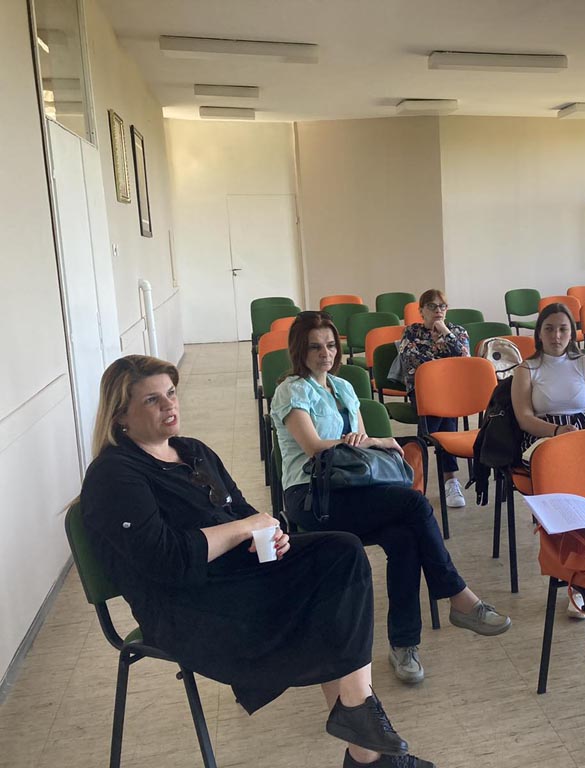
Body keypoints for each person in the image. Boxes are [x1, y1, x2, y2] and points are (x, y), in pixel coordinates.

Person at [80, 355, 433, 768]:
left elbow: (244, 513)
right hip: (187, 606)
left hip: (238, 577)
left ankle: (362, 730)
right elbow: (168, 561)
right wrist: (243, 529)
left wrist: (273, 536)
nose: (169, 405)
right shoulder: (113, 475)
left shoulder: (192, 451)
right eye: (152, 400)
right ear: (120, 415)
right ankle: (367, 749)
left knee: (342, 552)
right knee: (326, 593)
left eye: (171, 393)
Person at [272, 310, 510, 687]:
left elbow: (359, 451)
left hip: (352, 489)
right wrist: (377, 440)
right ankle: (459, 597)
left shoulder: (344, 387)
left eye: (330, 345)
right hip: (311, 496)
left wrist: (367, 441)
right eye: (315, 347)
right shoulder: (291, 390)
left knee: (404, 538)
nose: (325, 353)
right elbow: (314, 448)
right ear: (299, 350)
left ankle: (404, 646)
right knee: (415, 505)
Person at [511, 302, 585, 617]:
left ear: (573, 333)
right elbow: (525, 418)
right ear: (539, 333)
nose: (556, 336)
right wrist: (556, 432)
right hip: (543, 437)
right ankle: (576, 580)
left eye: (563, 329)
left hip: (584, 435)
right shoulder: (527, 369)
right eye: (550, 329)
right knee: (569, 487)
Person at [398, 289, 471, 509]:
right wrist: (445, 364)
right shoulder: (412, 332)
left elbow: (465, 360)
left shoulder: (457, 331)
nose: (438, 310)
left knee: (441, 413)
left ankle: (417, 476)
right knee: (444, 414)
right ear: (421, 311)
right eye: (432, 306)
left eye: (442, 306)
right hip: (422, 391)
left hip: (450, 393)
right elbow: (413, 363)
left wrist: (446, 333)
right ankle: (450, 479)